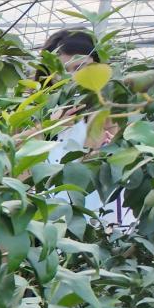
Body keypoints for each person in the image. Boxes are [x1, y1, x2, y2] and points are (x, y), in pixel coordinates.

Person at [37, 28, 137, 233]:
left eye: (80, 67)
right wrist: (49, 126)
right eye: (63, 70)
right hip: (52, 216)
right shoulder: (37, 111)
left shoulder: (111, 109)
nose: (73, 77)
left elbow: (107, 156)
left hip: (100, 213)